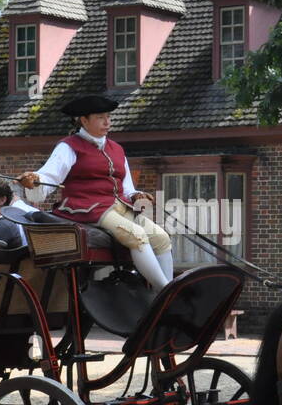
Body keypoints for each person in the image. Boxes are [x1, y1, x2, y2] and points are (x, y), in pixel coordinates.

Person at [18, 95, 174, 291]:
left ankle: (167, 296)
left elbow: (126, 187)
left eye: (109, 116)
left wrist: (136, 195)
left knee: (161, 238)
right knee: (136, 234)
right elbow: (49, 177)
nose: (107, 122)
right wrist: (34, 182)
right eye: (101, 117)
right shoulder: (68, 147)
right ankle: (165, 290)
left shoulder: (116, 149)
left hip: (119, 206)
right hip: (87, 207)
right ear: (84, 120)